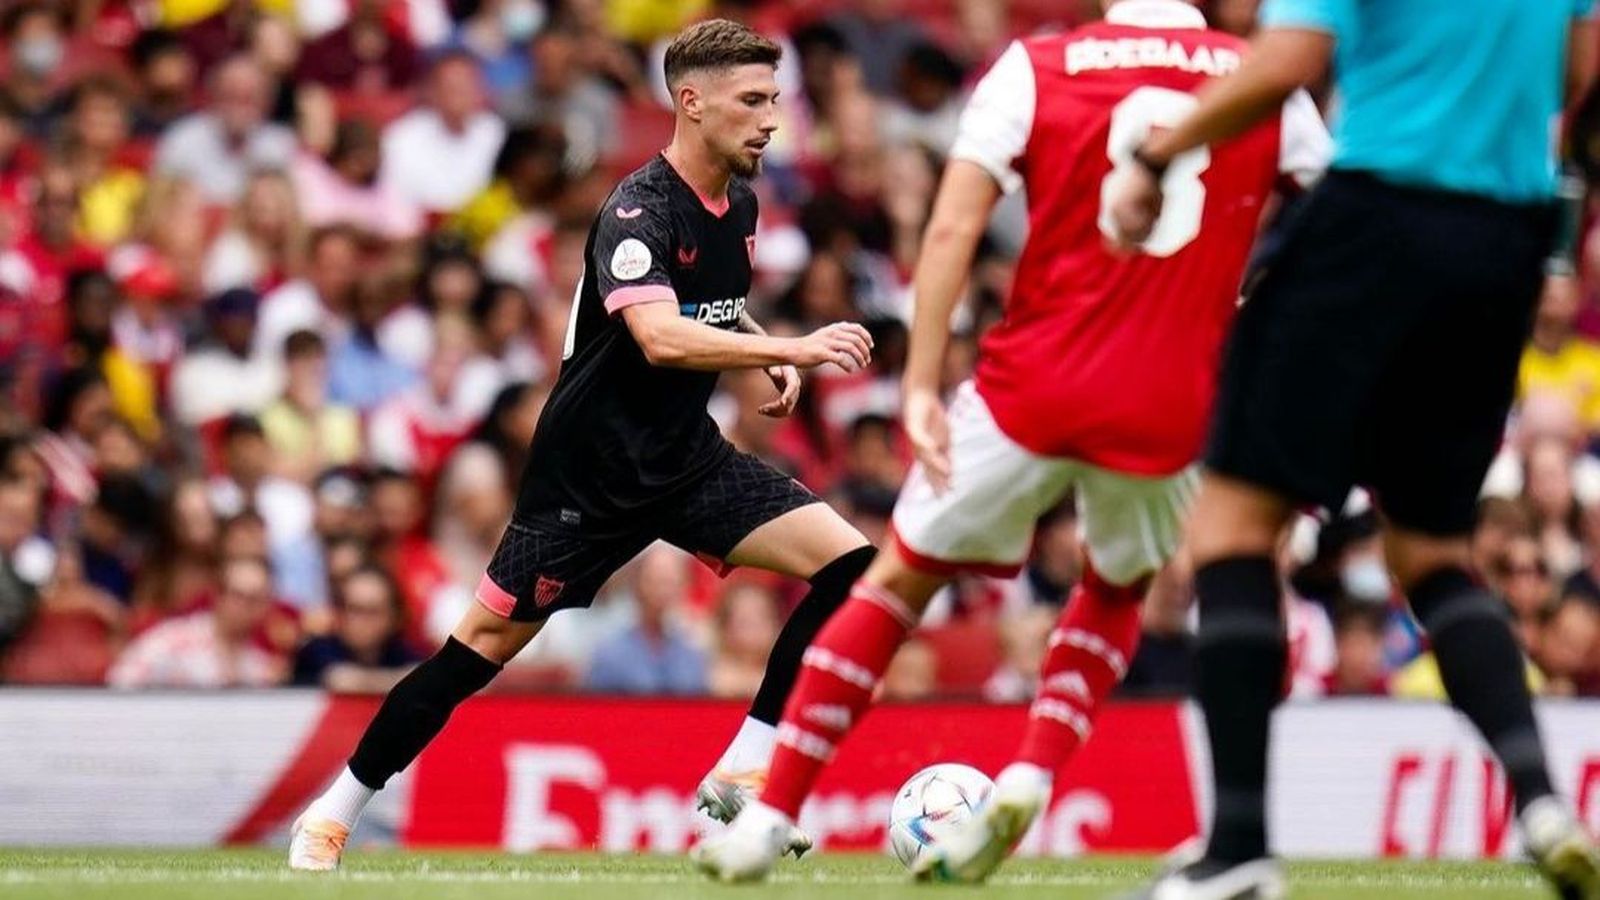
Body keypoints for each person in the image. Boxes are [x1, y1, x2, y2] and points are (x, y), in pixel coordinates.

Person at [693, 0, 1329, 883]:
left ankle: (769, 816)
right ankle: (1031, 772)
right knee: (1115, 588)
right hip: (1171, 398)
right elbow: (1342, 217)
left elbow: (953, 228)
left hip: (1035, 381)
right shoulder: (1262, 77)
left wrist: (920, 385)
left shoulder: (1039, 68)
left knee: (896, 584)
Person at [287, 19, 881, 871]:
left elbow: (702, 302)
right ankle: (332, 811)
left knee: (854, 566)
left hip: (685, 459)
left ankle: (746, 767)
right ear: (692, 102)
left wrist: (759, 350)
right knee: (476, 652)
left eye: (773, 100)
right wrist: (795, 347)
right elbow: (659, 337)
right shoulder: (637, 209)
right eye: (752, 101)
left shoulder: (740, 204)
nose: (770, 120)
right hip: (587, 480)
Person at [1101, 0, 1600, 895]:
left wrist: (1156, 154)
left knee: (1231, 528)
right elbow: (1577, 74)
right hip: (1505, 245)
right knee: (1434, 553)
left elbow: (1290, 58)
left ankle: (1238, 849)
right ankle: (1540, 801)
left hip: (1376, 215)